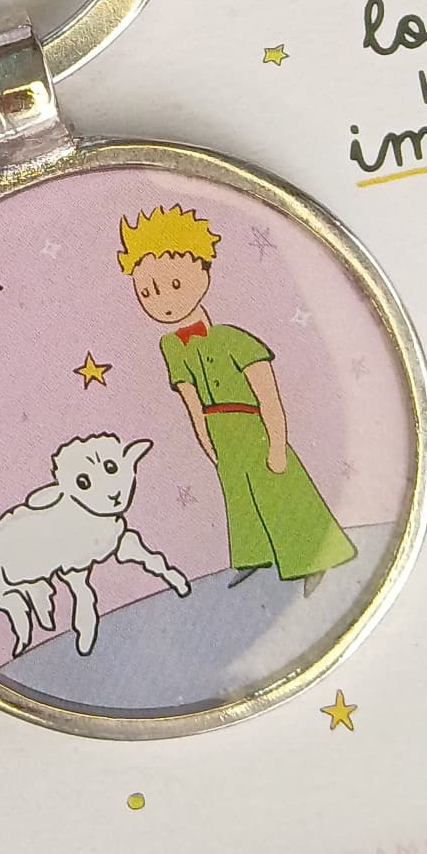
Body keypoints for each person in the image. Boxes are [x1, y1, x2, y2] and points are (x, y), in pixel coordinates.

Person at [120, 202, 356, 594]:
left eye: (174, 284)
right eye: (147, 291)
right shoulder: (171, 346)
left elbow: (268, 396)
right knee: (239, 496)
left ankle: (315, 557)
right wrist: (207, 442)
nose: (162, 300)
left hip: (253, 425)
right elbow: (191, 402)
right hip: (220, 433)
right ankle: (254, 555)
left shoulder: (234, 338)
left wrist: (276, 443)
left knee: (282, 488)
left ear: (203, 273)